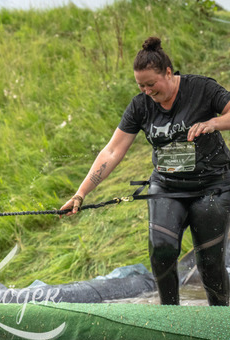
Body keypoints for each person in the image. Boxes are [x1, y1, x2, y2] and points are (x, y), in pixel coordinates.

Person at [60, 36, 230, 306]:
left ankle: (221, 317)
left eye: (151, 84)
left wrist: (213, 123)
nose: (147, 91)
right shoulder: (140, 106)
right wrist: (81, 193)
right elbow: (112, 151)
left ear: (168, 72)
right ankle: (169, 316)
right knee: (161, 250)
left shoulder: (201, 89)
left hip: (212, 186)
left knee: (209, 263)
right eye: (141, 86)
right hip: (167, 186)